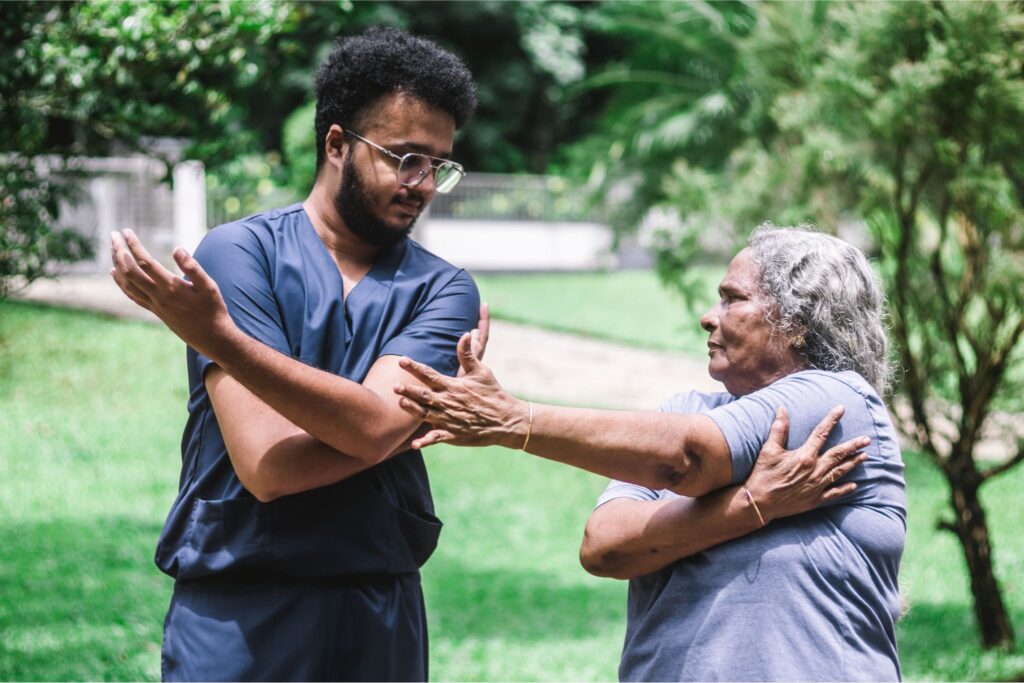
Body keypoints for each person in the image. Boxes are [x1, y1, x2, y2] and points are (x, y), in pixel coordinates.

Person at [109, 27, 484, 681]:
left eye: (439, 165)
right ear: (337, 143)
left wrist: (220, 336)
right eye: (403, 158)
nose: (421, 183)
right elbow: (267, 465)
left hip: (379, 616)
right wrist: (391, 434)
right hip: (237, 620)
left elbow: (369, 425)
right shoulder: (238, 254)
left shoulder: (445, 289)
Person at [393, 226, 906, 681]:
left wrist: (515, 421)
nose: (709, 317)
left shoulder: (839, 402)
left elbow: (687, 459)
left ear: (796, 322)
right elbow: (605, 547)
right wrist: (751, 505)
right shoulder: (686, 410)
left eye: (732, 299)